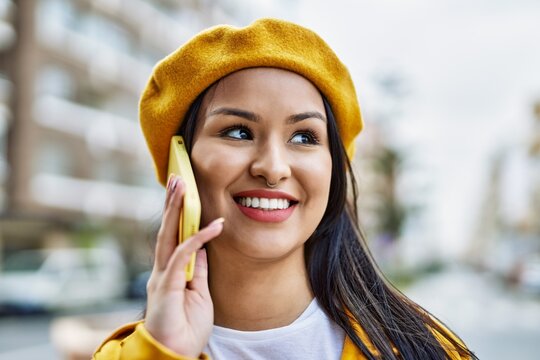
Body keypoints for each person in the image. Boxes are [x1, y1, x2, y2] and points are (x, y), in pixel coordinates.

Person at [93, 18, 476, 359]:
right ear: (181, 163)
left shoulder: (424, 349)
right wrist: (164, 354)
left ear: (334, 170)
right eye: (238, 132)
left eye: (305, 137)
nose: (273, 169)